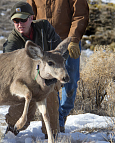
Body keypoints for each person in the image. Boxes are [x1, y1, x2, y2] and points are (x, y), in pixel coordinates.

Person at [27, 0, 89, 132]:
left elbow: (80, 14)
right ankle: (56, 120)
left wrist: (74, 39)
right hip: (45, 44)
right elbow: (30, 16)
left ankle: (63, 113)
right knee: (49, 83)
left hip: (67, 42)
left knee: (70, 81)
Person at [3, 2, 62, 138]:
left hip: (48, 76)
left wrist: (56, 75)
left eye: (23, 20)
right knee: (21, 109)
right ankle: (12, 128)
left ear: (31, 18)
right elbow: (11, 72)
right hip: (25, 81)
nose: (19, 24)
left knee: (51, 96)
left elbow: (59, 51)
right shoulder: (12, 43)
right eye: (16, 20)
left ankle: (52, 134)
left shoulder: (44, 27)